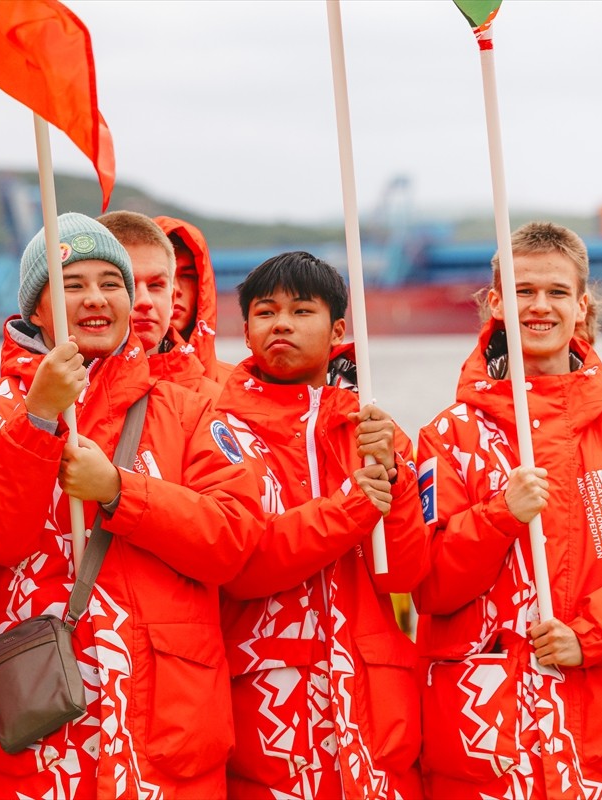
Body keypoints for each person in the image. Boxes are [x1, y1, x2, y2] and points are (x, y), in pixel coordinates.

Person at [0, 212, 263, 798]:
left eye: (111, 283)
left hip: (164, 747)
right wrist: (36, 421)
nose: (96, 299)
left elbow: (233, 542)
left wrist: (118, 491)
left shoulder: (188, 413)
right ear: (35, 307)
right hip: (30, 752)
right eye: (72, 284)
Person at [413, 222, 602, 799]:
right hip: (487, 744)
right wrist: (500, 515)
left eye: (556, 292)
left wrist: (593, 633)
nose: (540, 306)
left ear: (582, 307)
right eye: (523, 290)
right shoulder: (448, 437)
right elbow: (428, 584)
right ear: (496, 303)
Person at [218, 252, 429, 798]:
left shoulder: (374, 430)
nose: (281, 323)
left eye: (301, 310)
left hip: (372, 700)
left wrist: (397, 479)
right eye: (266, 312)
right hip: (267, 697)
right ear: (245, 332)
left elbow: (403, 573)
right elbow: (246, 564)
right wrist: (355, 504)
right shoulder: (218, 430)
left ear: (338, 329)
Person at [99, 211, 221, 402]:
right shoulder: (60, 393)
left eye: (156, 284)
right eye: (128, 282)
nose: (145, 301)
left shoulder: (227, 395)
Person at [154, 215, 230, 381]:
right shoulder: (92, 382)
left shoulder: (237, 387)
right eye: (163, 276)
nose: (176, 289)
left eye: (187, 275)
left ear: (203, 286)